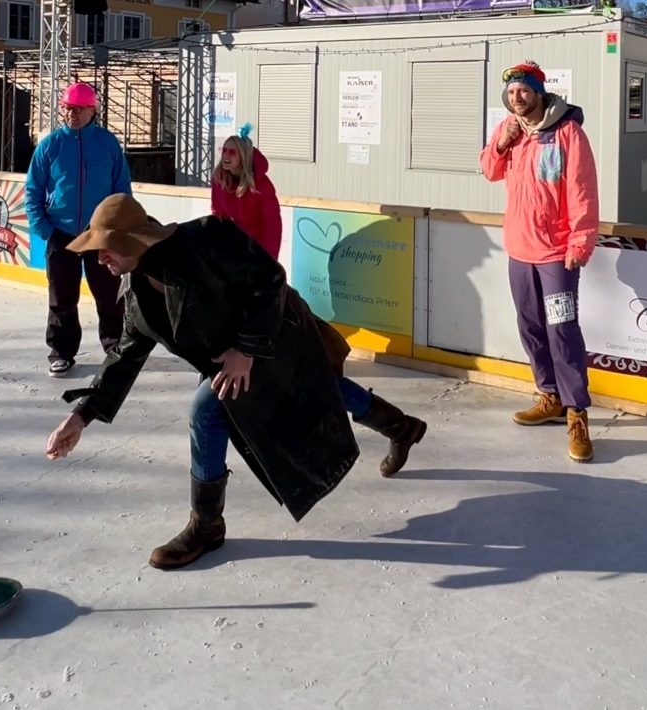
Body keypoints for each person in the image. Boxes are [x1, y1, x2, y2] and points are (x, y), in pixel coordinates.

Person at [45, 194, 427, 570]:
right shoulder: (137, 296)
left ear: (135, 242)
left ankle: (205, 526)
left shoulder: (206, 239)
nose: (100, 258)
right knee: (320, 388)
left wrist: (245, 350)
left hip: (274, 334)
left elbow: (268, 280)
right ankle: (401, 426)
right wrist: (81, 416)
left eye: (107, 247)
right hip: (231, 357)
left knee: (215, 408)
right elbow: (124, 356)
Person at [479, 60, 599, 463]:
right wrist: (501, 142)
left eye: (523, 91)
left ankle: (576, 412)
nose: (517, 98)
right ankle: (549, 396)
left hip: (555, 254)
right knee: (530, 326)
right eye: (511, 93)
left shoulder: (567, 132)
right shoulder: (510, 131)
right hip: (519, 249)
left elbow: (582, 191)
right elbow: (488, 172)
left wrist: (580, 242)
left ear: (539, 92)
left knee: (562, 329)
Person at [25, 82, 132, 377]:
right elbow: (33, 189)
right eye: (66, 108)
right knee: (61, 297)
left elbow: (122, 187)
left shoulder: (107, 143)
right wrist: (45, 230)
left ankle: (115, 347)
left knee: (109, 295)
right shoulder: (51, 145)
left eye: (76, 109)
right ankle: (61, 351)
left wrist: (118, 226)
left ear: (91, 110)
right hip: (61, 232)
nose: (70, 114)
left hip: (100, 234)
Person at [211, 124, 282, 260]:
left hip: (258, 248)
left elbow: (272, 224)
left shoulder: (261, 185)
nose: (226, 156)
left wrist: (270, 257)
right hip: (234, 247)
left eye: (232, 152)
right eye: (224, 151)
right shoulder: (219, 179)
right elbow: (218, 216)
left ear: (243, 156)